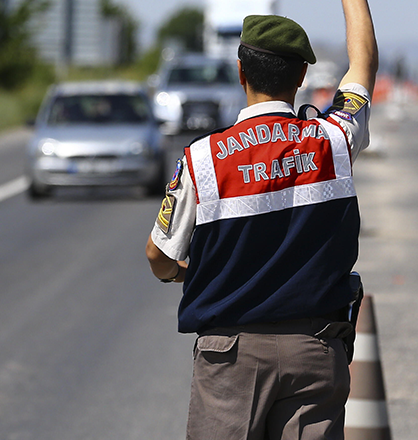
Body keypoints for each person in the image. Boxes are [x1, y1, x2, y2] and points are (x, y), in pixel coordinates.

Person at [144, 1, 378, 439]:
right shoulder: (335, 139)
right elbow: (362, 64)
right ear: (301, 78)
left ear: (240, 72)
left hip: (229, 360)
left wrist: (181, 274)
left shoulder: (203, 159)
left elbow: (157, 254)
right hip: (316, 350)